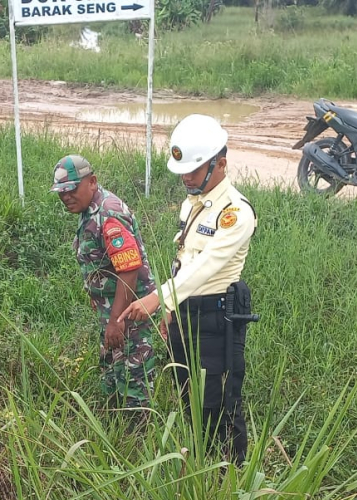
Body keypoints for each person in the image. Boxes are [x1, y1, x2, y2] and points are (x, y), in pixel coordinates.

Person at [118, 114, 257, 465]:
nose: (185, 178)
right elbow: (184, 260)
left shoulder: (235, 213)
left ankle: (232, 475)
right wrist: (170, 309)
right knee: (189, 396)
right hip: (185, 312)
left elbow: (205, 267)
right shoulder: (193, 203)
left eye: (193, 171)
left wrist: (157, 298)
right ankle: (202, 466)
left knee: (219, 403)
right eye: (182, 171)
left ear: (221, 164)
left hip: (215, 319)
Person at [50, 154, 158, 413]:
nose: (66, 197)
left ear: (92, 182)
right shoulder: (89, 210)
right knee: (112, 371)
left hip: (130, 311)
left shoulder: (109, 213)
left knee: (134, 376)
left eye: (72, 190)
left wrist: (116, 321)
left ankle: (137, 435)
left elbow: (129, 270)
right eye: (61, 193)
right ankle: (115, 424)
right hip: (113, 309)